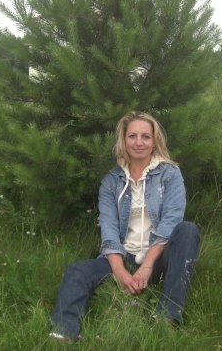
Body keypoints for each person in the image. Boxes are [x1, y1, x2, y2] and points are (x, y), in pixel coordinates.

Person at [50, 111, 201, 341]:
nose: (139, 142)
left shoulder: (170, 174)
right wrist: (120, 272)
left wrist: (147, 266)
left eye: (145, 137)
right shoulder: (111, 181)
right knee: (77, 270)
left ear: (154, 141)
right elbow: (109, 228)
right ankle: (63, 334)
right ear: (124, 140)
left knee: (188, 230)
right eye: (132, 136)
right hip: (124, 258)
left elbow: (171, 221)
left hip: (158, 259)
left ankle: (168, 317)